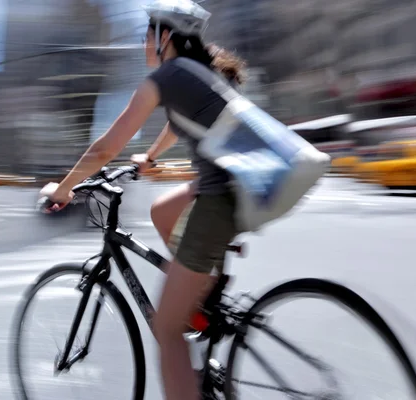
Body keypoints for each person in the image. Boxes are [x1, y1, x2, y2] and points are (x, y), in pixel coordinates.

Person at [40, 1, 248, 399]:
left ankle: (195, 297)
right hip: (243, 188)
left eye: (145, 35)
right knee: (162, 209)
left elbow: (103, 151)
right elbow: (178, 121)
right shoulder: (203, 72)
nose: (141, 43)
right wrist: (149, 158)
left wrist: (63, 188)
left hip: (218, 198)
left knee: (167, 331)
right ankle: (205, 297)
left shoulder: (167, 77)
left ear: (163, 36)